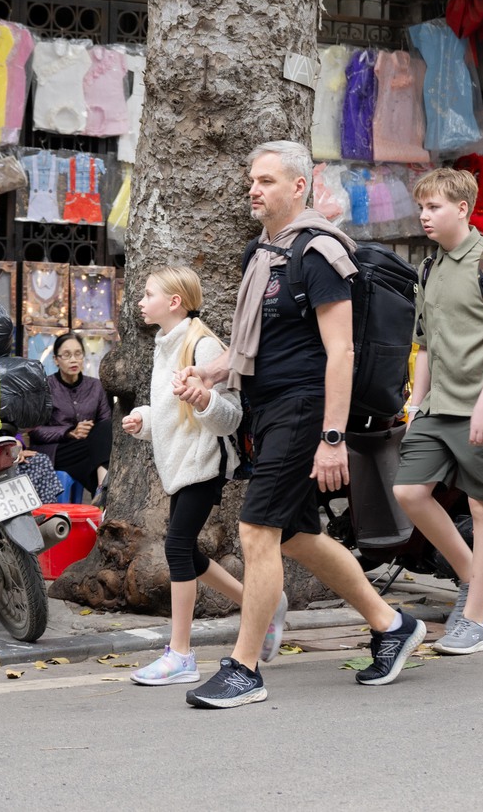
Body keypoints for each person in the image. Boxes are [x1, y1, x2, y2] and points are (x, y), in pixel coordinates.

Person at [181, 141, 426, 709]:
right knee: (296, 535)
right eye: (252, 178)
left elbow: (340, 352)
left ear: (298, 186)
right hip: (266, 411)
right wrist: (209, 374)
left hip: (304, 408)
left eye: (266, 179)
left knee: (256, 532)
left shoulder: (319, 254)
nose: (253, 188)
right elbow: (254, 348)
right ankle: (391, 625)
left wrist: (333, 438)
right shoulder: (261, 257)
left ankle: (244, 668)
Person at [393, 167, 483, 656]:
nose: (425, 216)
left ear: (463, 209)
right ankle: (476, 577)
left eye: (435, 207)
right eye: (422, 207)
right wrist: (415, 400)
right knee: (408, 490)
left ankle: (474, 621)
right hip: (438, 405)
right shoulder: (429, 269)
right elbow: (423, 342)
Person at [120, 266, 258, 686]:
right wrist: (142, 419)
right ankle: (262, 607)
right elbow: (168, 409)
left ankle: (180, 653)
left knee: (178, 548)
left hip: (202, 463)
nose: (141, 302)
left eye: (148, 294)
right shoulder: (166, 343)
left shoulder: (202, 345)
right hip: (179, 466)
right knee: (188, 554)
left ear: (174, 301)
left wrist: (204, 399)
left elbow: (229, 416)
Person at [31, 333, 112, 497]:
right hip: (56, 450)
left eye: (78, 354)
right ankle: (104, 489)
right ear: (56, 359)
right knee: (95, 450)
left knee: (106, 429)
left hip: (85, 449)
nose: (73, 360)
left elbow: (105, 423)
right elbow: (36, 430)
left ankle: (102, 490)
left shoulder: (96, 386)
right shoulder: (45, 387)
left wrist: (91, 431)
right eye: (66, 355)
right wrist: (70, 431)